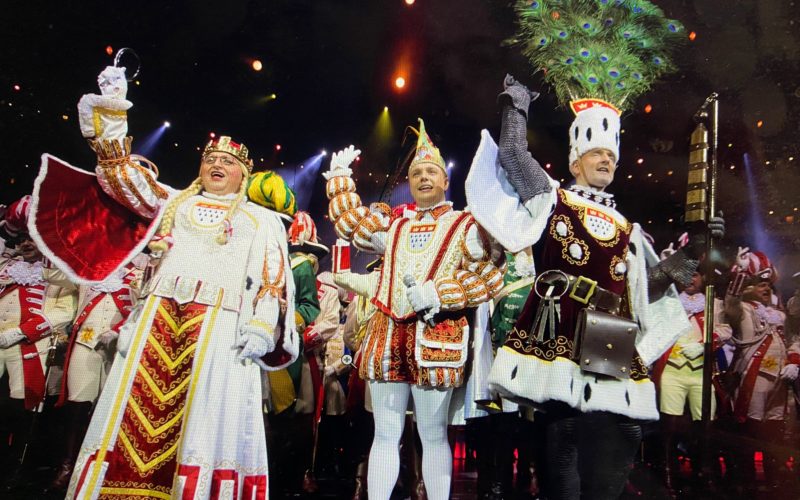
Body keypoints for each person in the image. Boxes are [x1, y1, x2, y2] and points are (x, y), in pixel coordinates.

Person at [30, 65, 298, 500]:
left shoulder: (260, 218)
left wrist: (262, 326)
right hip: (156, 321)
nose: (217, 165)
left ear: (243, 175)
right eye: (210, 158)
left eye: (227, 162)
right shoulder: (173, 201)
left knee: (203, 421)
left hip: (219, 330)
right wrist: (115, 110)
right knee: (134, 415)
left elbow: (272, 279)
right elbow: (120, 178)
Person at [466, 72, 723, 499]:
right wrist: (516, 106)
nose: (606, 160)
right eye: (596, 153)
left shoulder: (627, 228)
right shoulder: (552, 200)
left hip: (609, 328)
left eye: (611, 155)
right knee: (562, 432)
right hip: (560, 319)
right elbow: (512, 155)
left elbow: (651, 287)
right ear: (575, 161)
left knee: (623, 429)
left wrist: (696, 246)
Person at [323, 120, 504, 500]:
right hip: (387, 335)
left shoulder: (465, 224)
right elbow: (351, 223)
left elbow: (489, 277)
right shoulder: (395, 224)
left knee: (433, 433)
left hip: (436, 338)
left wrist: (440, 294)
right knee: (385, 434)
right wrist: (340, 178)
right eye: (417, 172)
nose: (423, 177)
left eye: (431, 172)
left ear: (445, 180)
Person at [48, 254, 148, 492]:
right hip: (86, 339)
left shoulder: (141, 271)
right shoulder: (87, 267)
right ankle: (68, 465)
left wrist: (119, 331)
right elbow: (54, 274)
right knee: (77, 404)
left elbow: (143, 309)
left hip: (120, 346)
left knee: (112, 408)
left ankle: (104, 468)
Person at [0, 196, 77, 484]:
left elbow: (63, 313)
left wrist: (20, 333)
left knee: (23, 410)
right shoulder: (7, 267)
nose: (25, 244)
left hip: (30, 347)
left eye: (32, 239)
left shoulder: (57, 275)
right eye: (22, 239)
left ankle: (16, 469)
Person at [725, 248, 799, 476]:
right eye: (760, 284)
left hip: (780, 379)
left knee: (775, 429)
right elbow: (731, 303)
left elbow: (794, 339)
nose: (766, 288)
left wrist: (795, 362)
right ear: (749, 288)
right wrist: (739, 274)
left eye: (768, 285)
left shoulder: (780, 314)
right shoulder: (743, 311)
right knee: (750, 427)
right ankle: (744, 477)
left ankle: (774, 476)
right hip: (752, 378)